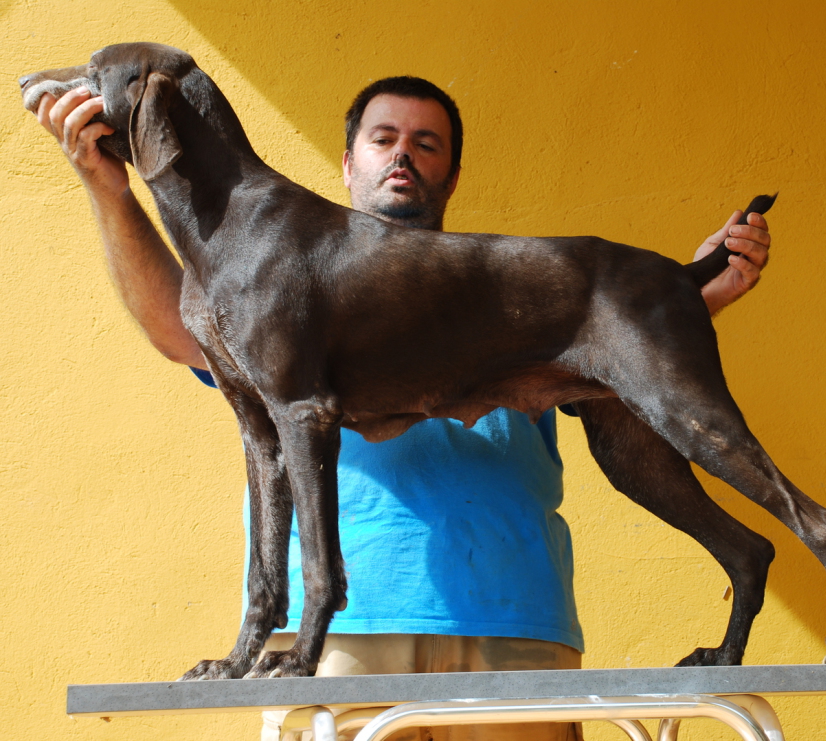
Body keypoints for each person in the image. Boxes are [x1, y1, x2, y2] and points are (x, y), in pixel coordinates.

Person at [34, 73, 771, 741]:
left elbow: (618, 357)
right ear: (348, 162)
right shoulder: (269, 289)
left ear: (453, 174)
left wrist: (684, 299)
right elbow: (179, 327)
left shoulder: (529, 289)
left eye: (426, 143)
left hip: (516, 624)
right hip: (346, 639)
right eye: (383, 138)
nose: (403, 155)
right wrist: (110, 189)